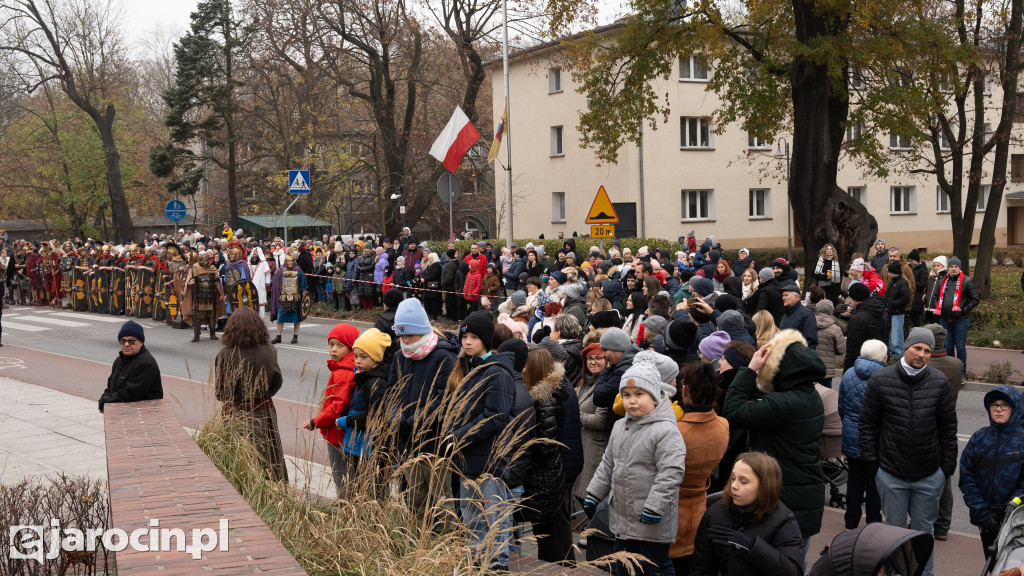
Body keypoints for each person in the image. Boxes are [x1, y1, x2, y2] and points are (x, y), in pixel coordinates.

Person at [858, 327, 958, 576]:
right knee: (893, 534)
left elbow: (948, 428)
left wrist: (946, 468)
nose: (922, 354)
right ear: (906, 348)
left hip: (928, 474)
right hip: (891, 473)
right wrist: (873, 462)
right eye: (917, 348)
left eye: (927, 350)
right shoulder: (881, 379)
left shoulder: (938, 382)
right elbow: (867, 424)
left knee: (925, 535)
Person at [582, 351, 687, 576]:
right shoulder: (621, 426)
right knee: (624, 563)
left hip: (651, 518)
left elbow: (671, 472)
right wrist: (594, 493)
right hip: (622, 514)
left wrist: (654, 506)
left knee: (656, 565)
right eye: (627, 394)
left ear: (656, 396)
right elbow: (608, 463)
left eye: (639, 393)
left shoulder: (666, 430)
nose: (632, 400)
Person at [723, 329, 826, 552]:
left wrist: (750, 370)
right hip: (803, 493)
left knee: (779, 563)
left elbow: (733, 410)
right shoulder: (808, 395)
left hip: (788, 496)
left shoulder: (785, 403)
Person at [444, 310, 516, 571]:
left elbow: (495, 416)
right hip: (467, 457)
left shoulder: (496, 372)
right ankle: (476, 561)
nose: (468, 342)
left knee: (492, 516)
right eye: (465, 337)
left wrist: (459, 437)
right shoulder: (468, 368)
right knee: (473, 516)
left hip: (488, 458)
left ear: (486, 339)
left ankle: (495, 565)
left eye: (474, 337)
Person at [387, 299, 458, 517]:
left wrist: (413, 421)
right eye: (402, 336)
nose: (406, 341)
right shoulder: (400, 357)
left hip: (435, 442)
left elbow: (445, 399)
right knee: (415, 497)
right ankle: (417, 542)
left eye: (411, 335)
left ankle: (443, 545)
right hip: (408, 441)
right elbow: (391, 392)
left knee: (440, 500)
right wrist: (395, 418)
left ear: (423, 330)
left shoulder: (444, 357)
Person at [690, 452, 805, 576]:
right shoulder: (715, 513)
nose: (733, 486)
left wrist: (752, 547)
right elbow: (701, 568)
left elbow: (792, 571)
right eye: (733, 478)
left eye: (743, 482)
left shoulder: (784, 521)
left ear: (764, 486)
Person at [215, 307, 287, 483]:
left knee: (240, 462)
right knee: (270, 459)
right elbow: (276, 381)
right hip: (265, 412)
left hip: (238, 413)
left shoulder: (225, 354)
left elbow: (221, 392)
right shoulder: (270, 350)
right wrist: (263, 394)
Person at [670, 363, 729, 575]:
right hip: (700, 508)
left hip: (670, 511)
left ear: (684, 389)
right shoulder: (723, 425)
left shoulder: (675, 429)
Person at [521, 347, 575, 564]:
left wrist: (524, 464)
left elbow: (545, 445)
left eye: (525, 365)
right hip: (547, 474)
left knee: (547, 536)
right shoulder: (548, 394)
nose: (522, 369)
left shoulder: (546, 400)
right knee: (547, 534)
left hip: (545, 477)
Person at [959, 386, 1024, 557]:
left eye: (1005, 405)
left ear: (1014, 408)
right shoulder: (979, 438)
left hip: (1017, 520)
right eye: (994, 405)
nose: (999, 409)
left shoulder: (1022, 440)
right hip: (986, 519)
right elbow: (967, 478)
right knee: (992, 562)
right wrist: (983, 514)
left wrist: (1011, 510)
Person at [302, 323, 359, 496]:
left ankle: (345, 510)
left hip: (338, 433)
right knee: (350, 476)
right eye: (331, 344)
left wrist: (315, 422)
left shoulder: (344, 372)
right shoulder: (348, 368)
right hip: (344, 432)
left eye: (340, 345)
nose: (334, 350)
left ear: (351, 347)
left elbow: (336, 407)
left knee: (342, 477)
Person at [837, 339, 887, 530]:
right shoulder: (885, 376)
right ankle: (873, 524)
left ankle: (850, 523)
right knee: (875, 484)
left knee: (854, 481)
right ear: (883, 355)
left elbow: (841, 406)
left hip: (852, 433)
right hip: (876, 437)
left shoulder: (849, 373)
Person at [335, 327, 392, 489]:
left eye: (363, 357)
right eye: (355, 356)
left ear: (376, 357)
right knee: (360, 480)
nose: (358, 361)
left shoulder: (376, 383)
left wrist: (347, 420)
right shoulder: (363, 376)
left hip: (369, 445)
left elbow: (374, 416)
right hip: (360, 443)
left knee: (372, 485)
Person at [927, 256, 979, 376]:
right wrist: (939, 308)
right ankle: (951, 372)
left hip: (961, 320)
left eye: (956, 267)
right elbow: (934, 297)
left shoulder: (966, 281)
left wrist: (963, 310)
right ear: (948, 268)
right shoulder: (942, 281)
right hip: (945, 319)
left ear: (959, 268)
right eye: (951, 266)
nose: (953, 269)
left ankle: (961, 373)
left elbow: (975, 299)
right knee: (948, 346)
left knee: (960, 347)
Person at [98, 320, 163, 412]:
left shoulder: (146, 363)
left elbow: (131, 393)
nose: (126, 344)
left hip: (144, 414)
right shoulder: (120, 360)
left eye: (131, 341)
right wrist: (103, 399)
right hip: (124, 411)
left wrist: (105, 402)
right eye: (123, 341)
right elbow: (110, 386)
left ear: (141, 342)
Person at [574, 342, 610, 507]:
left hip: (595, 448)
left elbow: (600, 421)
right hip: (581, 446)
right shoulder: (581, 384)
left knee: (590, 498)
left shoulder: (604, 386)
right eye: (590, 359)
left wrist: (575, 415)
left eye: (598, 358)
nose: (593, 362)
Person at [842, 282, 887, 373]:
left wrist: (847, 372)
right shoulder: (879, 314)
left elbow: (852, 349)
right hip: (877, 364)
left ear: (855, 298)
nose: (849, 301)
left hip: (859, 367)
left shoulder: (858, 319)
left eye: (850, 297)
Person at [182, 251, 226, 342]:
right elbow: (188, 283)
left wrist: (220, 294)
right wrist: (190, 283)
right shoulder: (194, 269)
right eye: (204, 260)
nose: (205, 262)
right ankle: (196, 335)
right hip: (199, 297)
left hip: (211, 296)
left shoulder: (212, 269)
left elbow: (217, 282)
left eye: (207, 260)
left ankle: (212, 334)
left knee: (212, 316)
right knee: (197, 317)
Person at [270, 251, 309, 344]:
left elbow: (303, 285)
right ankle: (278, 336)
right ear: (285, 262)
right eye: (288, 261)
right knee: (280, 318)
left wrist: (304, 298)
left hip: (296, 298)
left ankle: (295, 336)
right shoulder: (280, 271)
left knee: (297, 318)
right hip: (283, 298)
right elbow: (276, 285)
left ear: (294, 261)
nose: (290, 263)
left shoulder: (298, 271)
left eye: (291, 261)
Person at [813, 299, 845, 387]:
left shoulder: (808, 324)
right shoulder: (835, 329)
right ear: (831, 312)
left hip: (810, 366)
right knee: (826, 396)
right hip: (826, 369)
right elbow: (841, 350)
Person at [883, 261, 910, 360]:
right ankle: (892, 354)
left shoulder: (902, 283)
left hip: (897, 313)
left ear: (894, 272)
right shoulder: (892, 282)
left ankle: (898, 355)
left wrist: (892, 304)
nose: (888, 273)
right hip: (890, 312)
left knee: (896, 335)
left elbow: (905, 298)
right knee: (891, 335)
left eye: (889, 272)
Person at [778, 283, 817, 348]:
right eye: (783, 295)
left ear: (796, 297)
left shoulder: (806, 314)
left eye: (786, 295)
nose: (783, 298)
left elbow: (811, 341)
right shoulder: (785, 314)